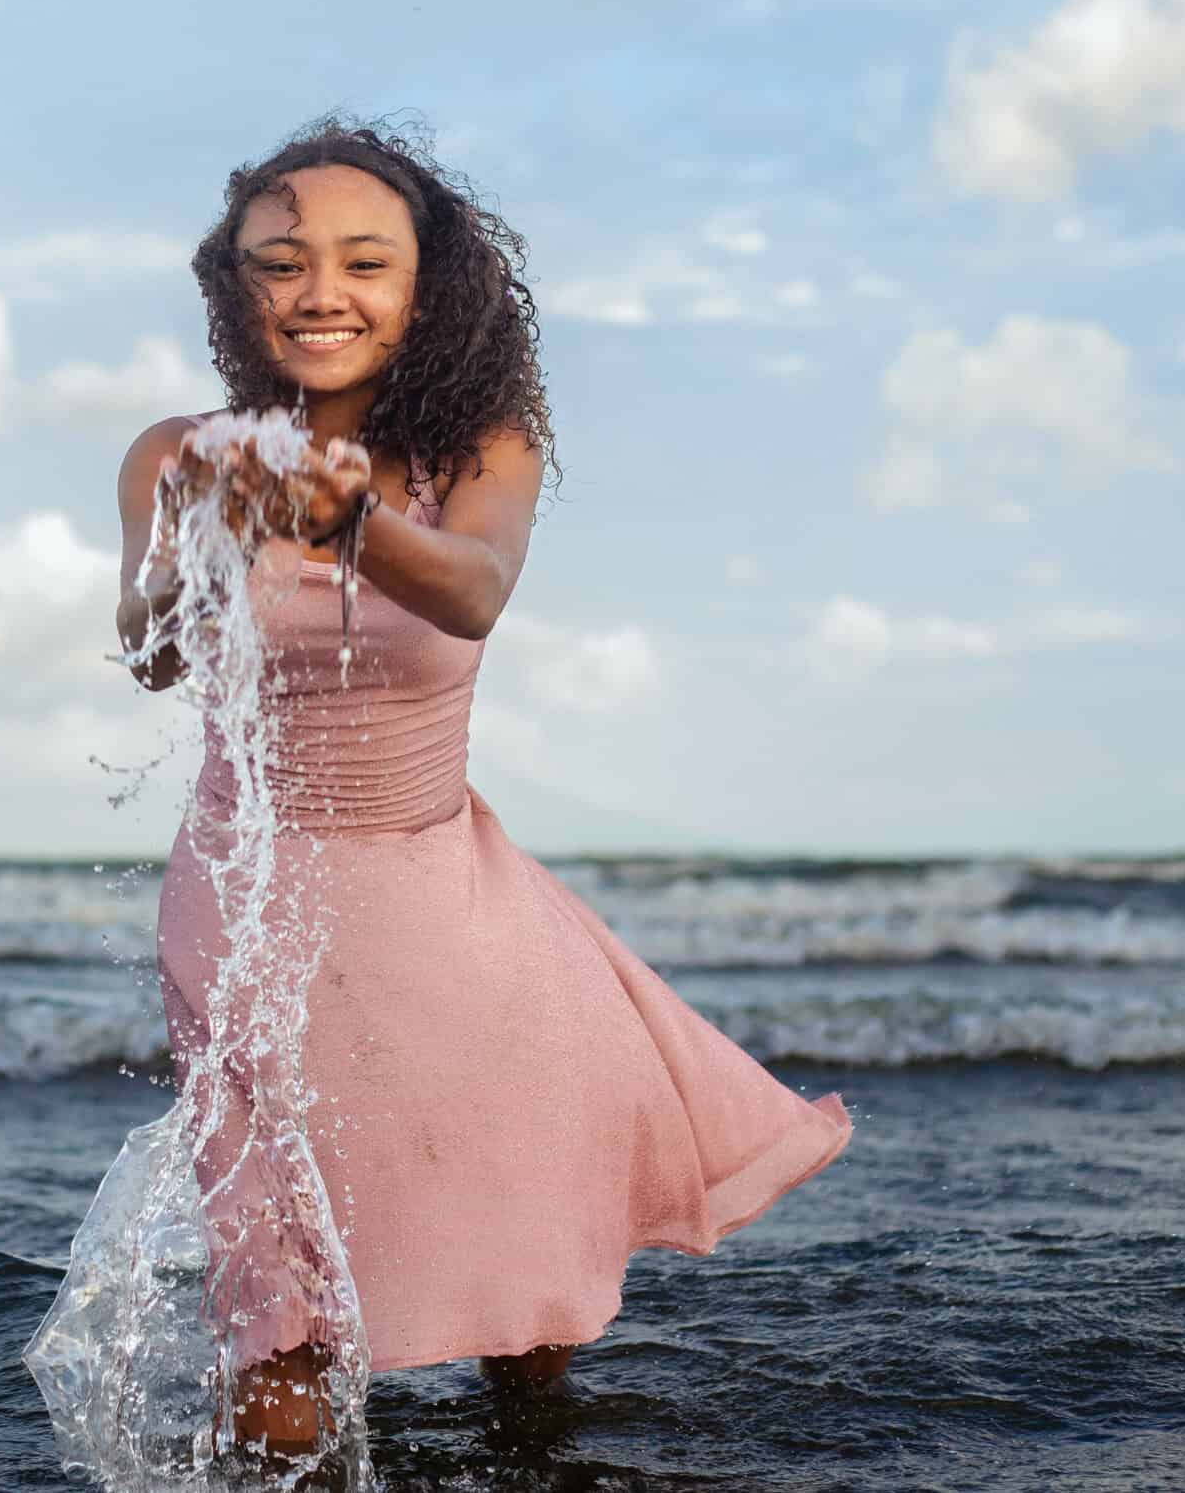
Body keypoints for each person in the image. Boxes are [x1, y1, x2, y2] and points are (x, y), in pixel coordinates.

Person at [112, 119, 853, 1456]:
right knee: (282, 1352)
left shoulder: (482, 454)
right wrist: (198, 535)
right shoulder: (179, 450)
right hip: (250, 925)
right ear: (237, 290)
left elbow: (473, 595)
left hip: (449, 914)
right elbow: (151, 654)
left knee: (527, 1346)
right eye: (281, 264)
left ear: (426, 287)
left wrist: (345, 520)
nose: (321, 291)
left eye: (363, 262)